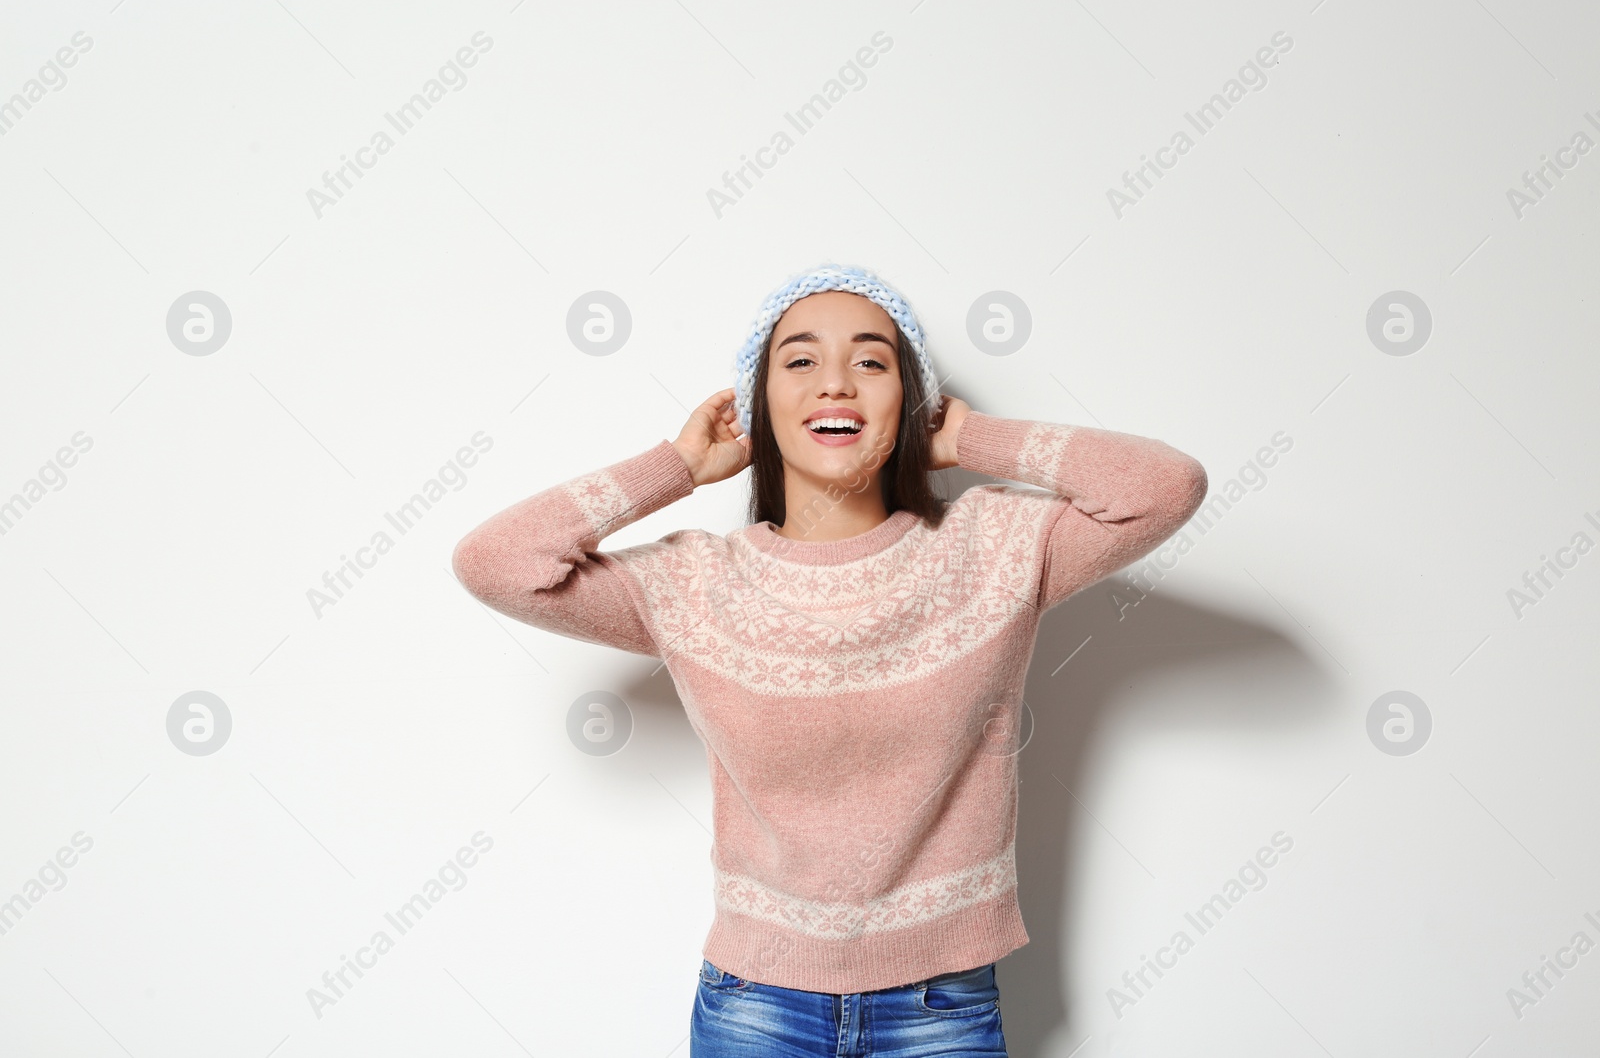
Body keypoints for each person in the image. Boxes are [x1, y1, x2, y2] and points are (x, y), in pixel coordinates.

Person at [451, 262, 1209, 1056]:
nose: (835, 383)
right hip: (756, 1005)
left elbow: (1167, 485)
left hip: (939, 1007)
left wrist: (969, 436)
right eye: (801, 360)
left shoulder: (994, 547)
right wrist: (675, 467)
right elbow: (496, 561)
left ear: (908, 399)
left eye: (873, 361)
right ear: (760, 406)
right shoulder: (695, 582)